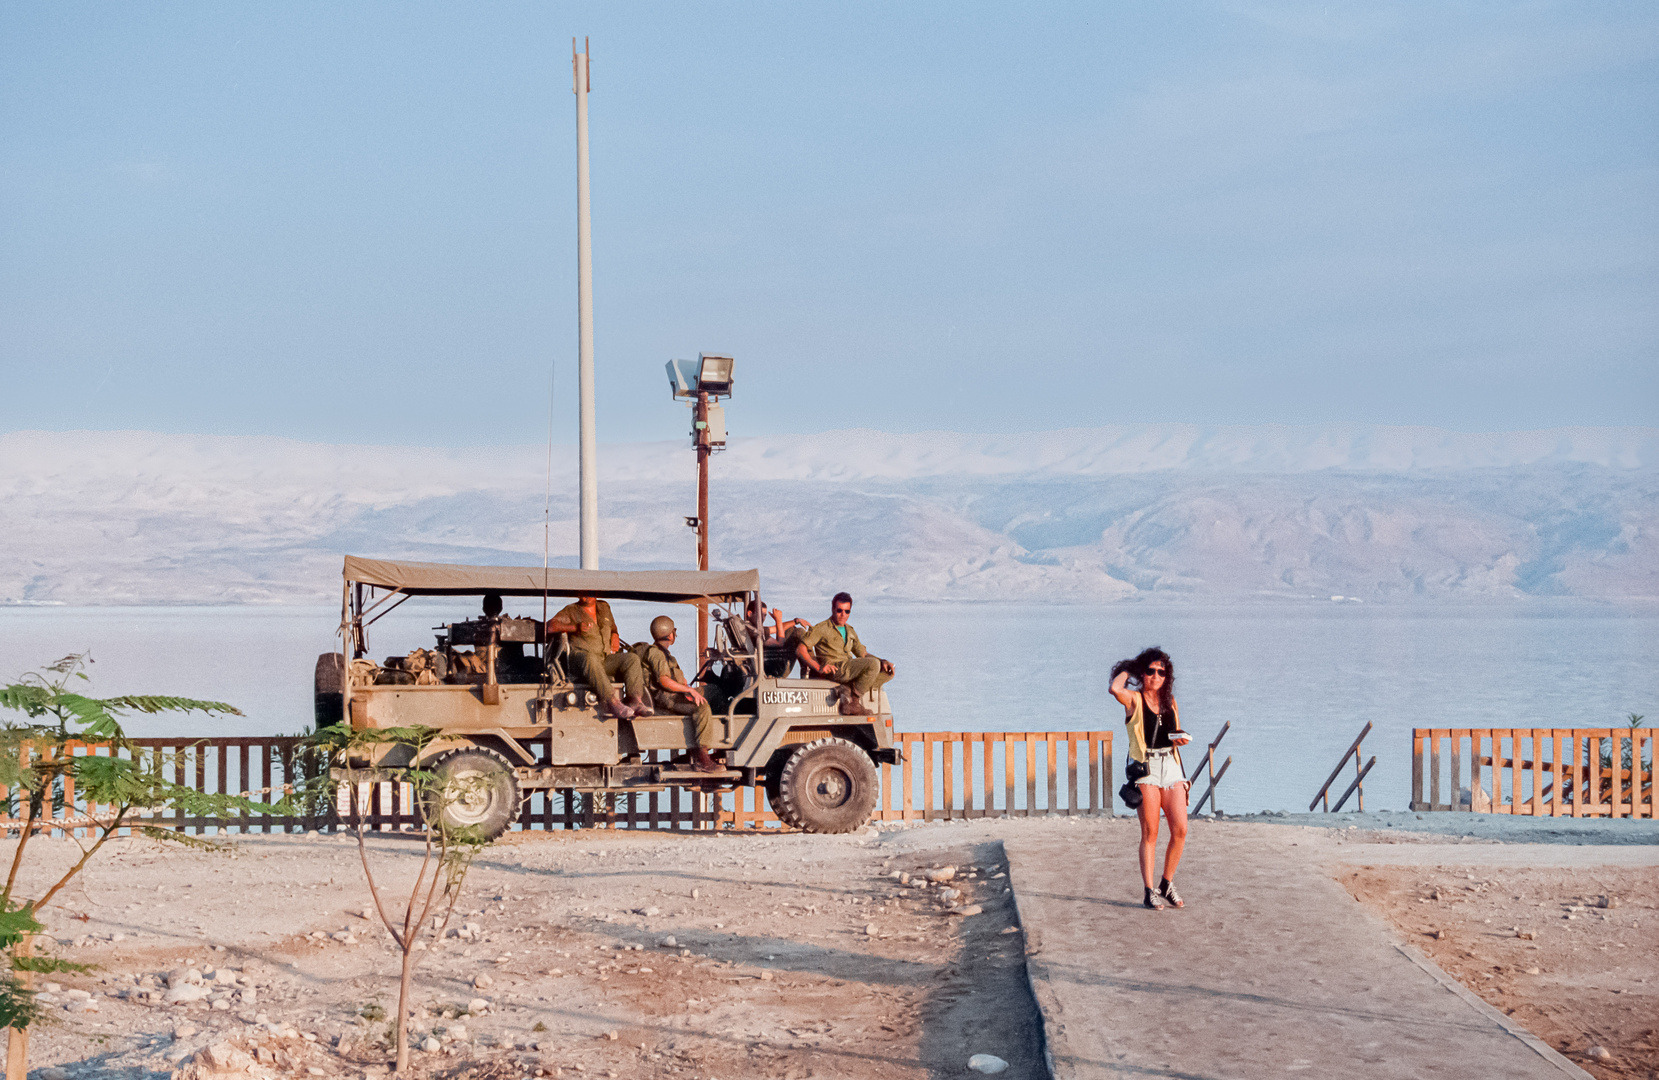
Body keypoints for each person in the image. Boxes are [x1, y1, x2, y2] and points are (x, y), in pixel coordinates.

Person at [1110, 647, 1192, 910]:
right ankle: (1149, 890)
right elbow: (1114, 688)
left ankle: (1166, 883)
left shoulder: (1171, 702)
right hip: (1146, 770)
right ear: (1143, 673)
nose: (1156, 676)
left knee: (1180, 829)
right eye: (1151, 671)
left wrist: (1180, 740)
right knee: (1151, 832)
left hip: (1171, 766)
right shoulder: (1133, 700)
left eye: (1161, 672)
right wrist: (1132, 667)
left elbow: (1172, 733)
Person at [546, 593, 653, 720]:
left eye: (591, 591)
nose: (587, 595)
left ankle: (636, 701)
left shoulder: (604, 608)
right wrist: (575, 627)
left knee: (632, 659)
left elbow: (612, 626)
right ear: (578, 594)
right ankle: (613, 702)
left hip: (602, 659)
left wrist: (615, 635)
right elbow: (550, 627)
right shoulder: (571, 610)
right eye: (583, 592)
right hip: (580, 662)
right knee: (590, 658)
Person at [639, 615, 724, 773]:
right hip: (669, 700)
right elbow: (663, 680)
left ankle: (717, 745)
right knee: (702, 708)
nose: (675, 635)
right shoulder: (656, 653)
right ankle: (702, 757)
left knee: (713, 691)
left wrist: (687, 688)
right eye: (674, 631)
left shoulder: (665, 654)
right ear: (670, 635)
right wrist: (689, 690)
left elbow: (675, 679)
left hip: (676, 695)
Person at [795, 592, 895, 716]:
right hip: (835, 669)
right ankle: (853, 702)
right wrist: (818, 667)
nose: (843, 615)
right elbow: (800, 649)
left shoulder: (850, 631)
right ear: (832, 609)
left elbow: (863, 654)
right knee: (873, 665)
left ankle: (846, 690)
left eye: (847, 611)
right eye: (839, 610)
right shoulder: (822, 628)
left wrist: (883, 661)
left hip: (848, 668)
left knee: (886, 672)